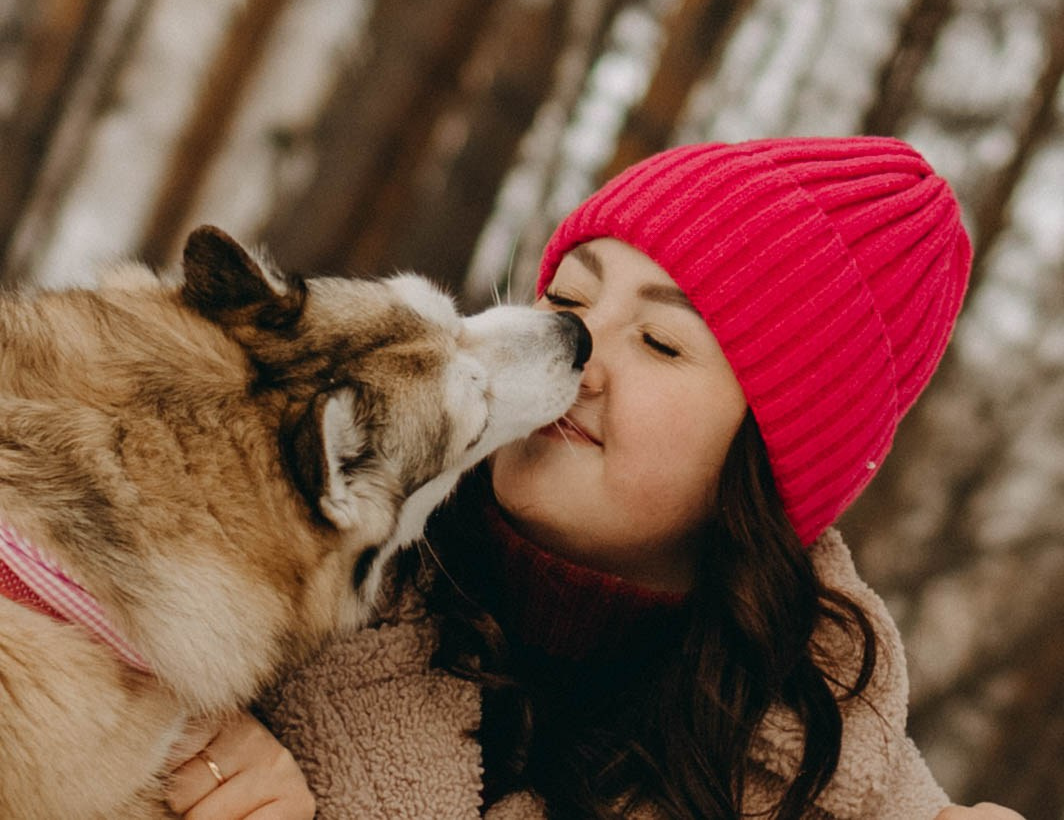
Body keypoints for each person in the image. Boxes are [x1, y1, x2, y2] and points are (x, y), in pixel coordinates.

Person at [167, 137, 1029, 819]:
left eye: (660, 343)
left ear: (763, 467)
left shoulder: (826, 781)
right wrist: (166, 744)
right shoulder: (272, 545)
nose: (577, 358)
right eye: (570, 303)